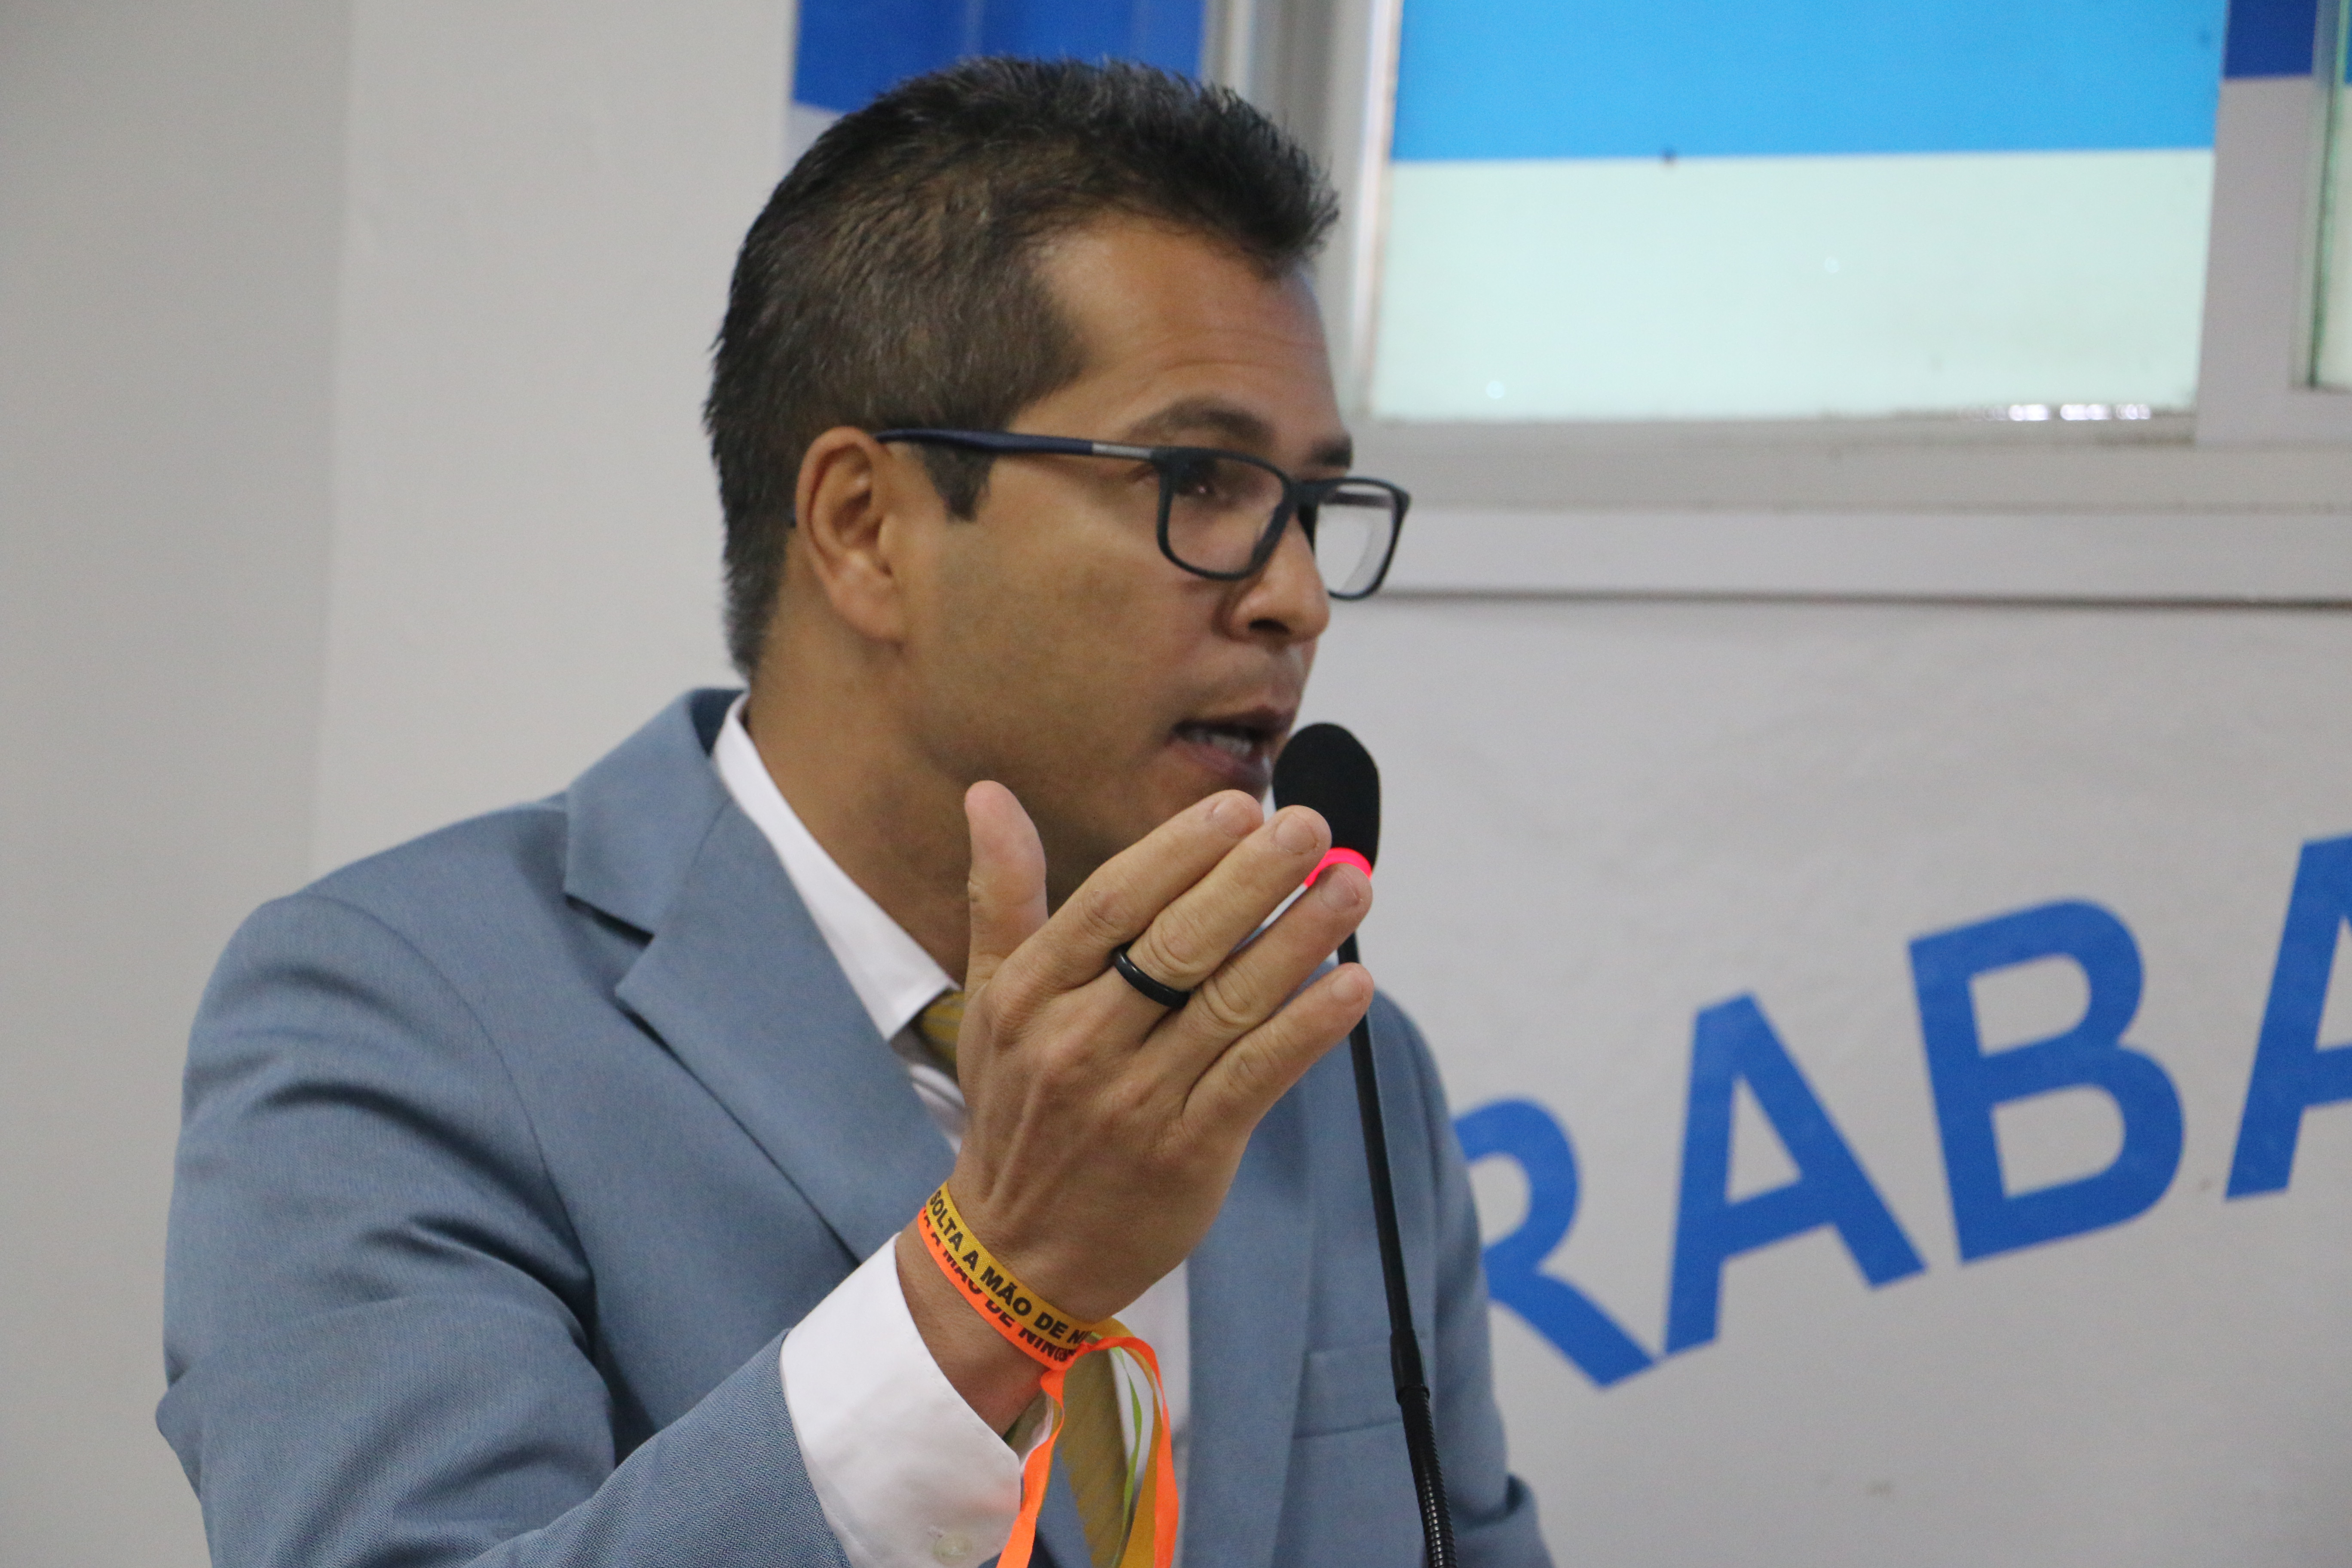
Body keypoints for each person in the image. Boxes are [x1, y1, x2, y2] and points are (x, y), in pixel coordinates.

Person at [160, 57, 1550, 1568]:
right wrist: (998, 1279)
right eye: (1199, 482)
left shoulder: (1334, 1065)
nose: (1294, 599)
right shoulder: (398, 1012)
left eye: (1313, 508)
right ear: (864, 526)